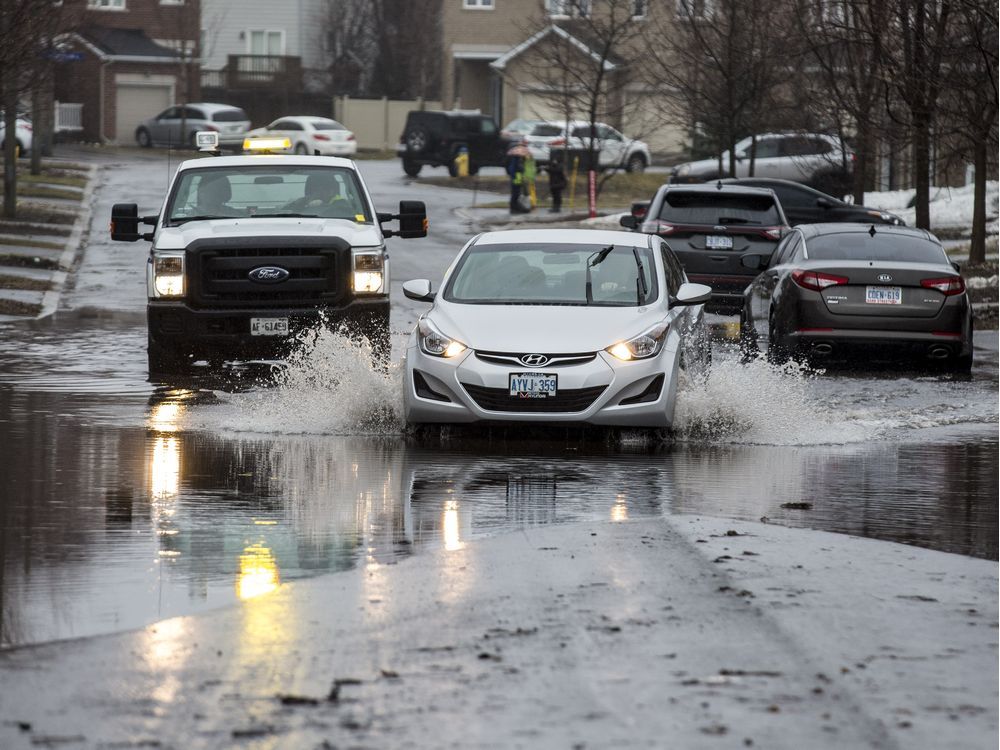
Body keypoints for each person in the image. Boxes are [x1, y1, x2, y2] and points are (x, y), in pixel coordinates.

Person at [505, 141, 531, 214]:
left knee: (517, 191)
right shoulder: (516, 156)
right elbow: (517, 167)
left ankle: (515, 206)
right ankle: (514, 206)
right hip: (516, 175)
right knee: (516, 191)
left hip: (516, 174)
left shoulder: (516, 156)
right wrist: (522, 169)